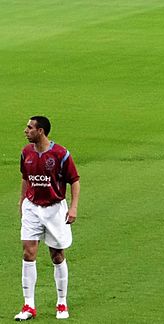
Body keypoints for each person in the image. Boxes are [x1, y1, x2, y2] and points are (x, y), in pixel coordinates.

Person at [14, 116, 80, 321]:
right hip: (32, 207)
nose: (25, 131)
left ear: (40, 131)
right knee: (28, 252)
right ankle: (29, 305)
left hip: (55, 209)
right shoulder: (26, 153)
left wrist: (73, 207)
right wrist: (21, 202)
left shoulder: (60, 154)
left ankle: (62, 302)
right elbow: (25, 178)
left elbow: (74, 180)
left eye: (29, 128)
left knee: (57, 255)